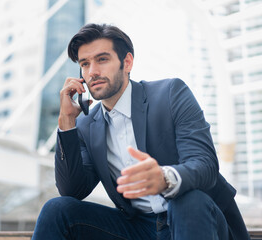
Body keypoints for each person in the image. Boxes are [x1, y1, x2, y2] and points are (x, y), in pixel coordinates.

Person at [32, 23, 250, 240]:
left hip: (195, 218)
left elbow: (205, 164)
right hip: (138, 228)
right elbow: (73, 191)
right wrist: (67, 121)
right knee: (57, 210)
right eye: (85, 64)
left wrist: (165, 179)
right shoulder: (86, 125)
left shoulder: (171, 93)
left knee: (187, 200)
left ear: (127, 62)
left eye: (102, 59)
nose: (92, 72)